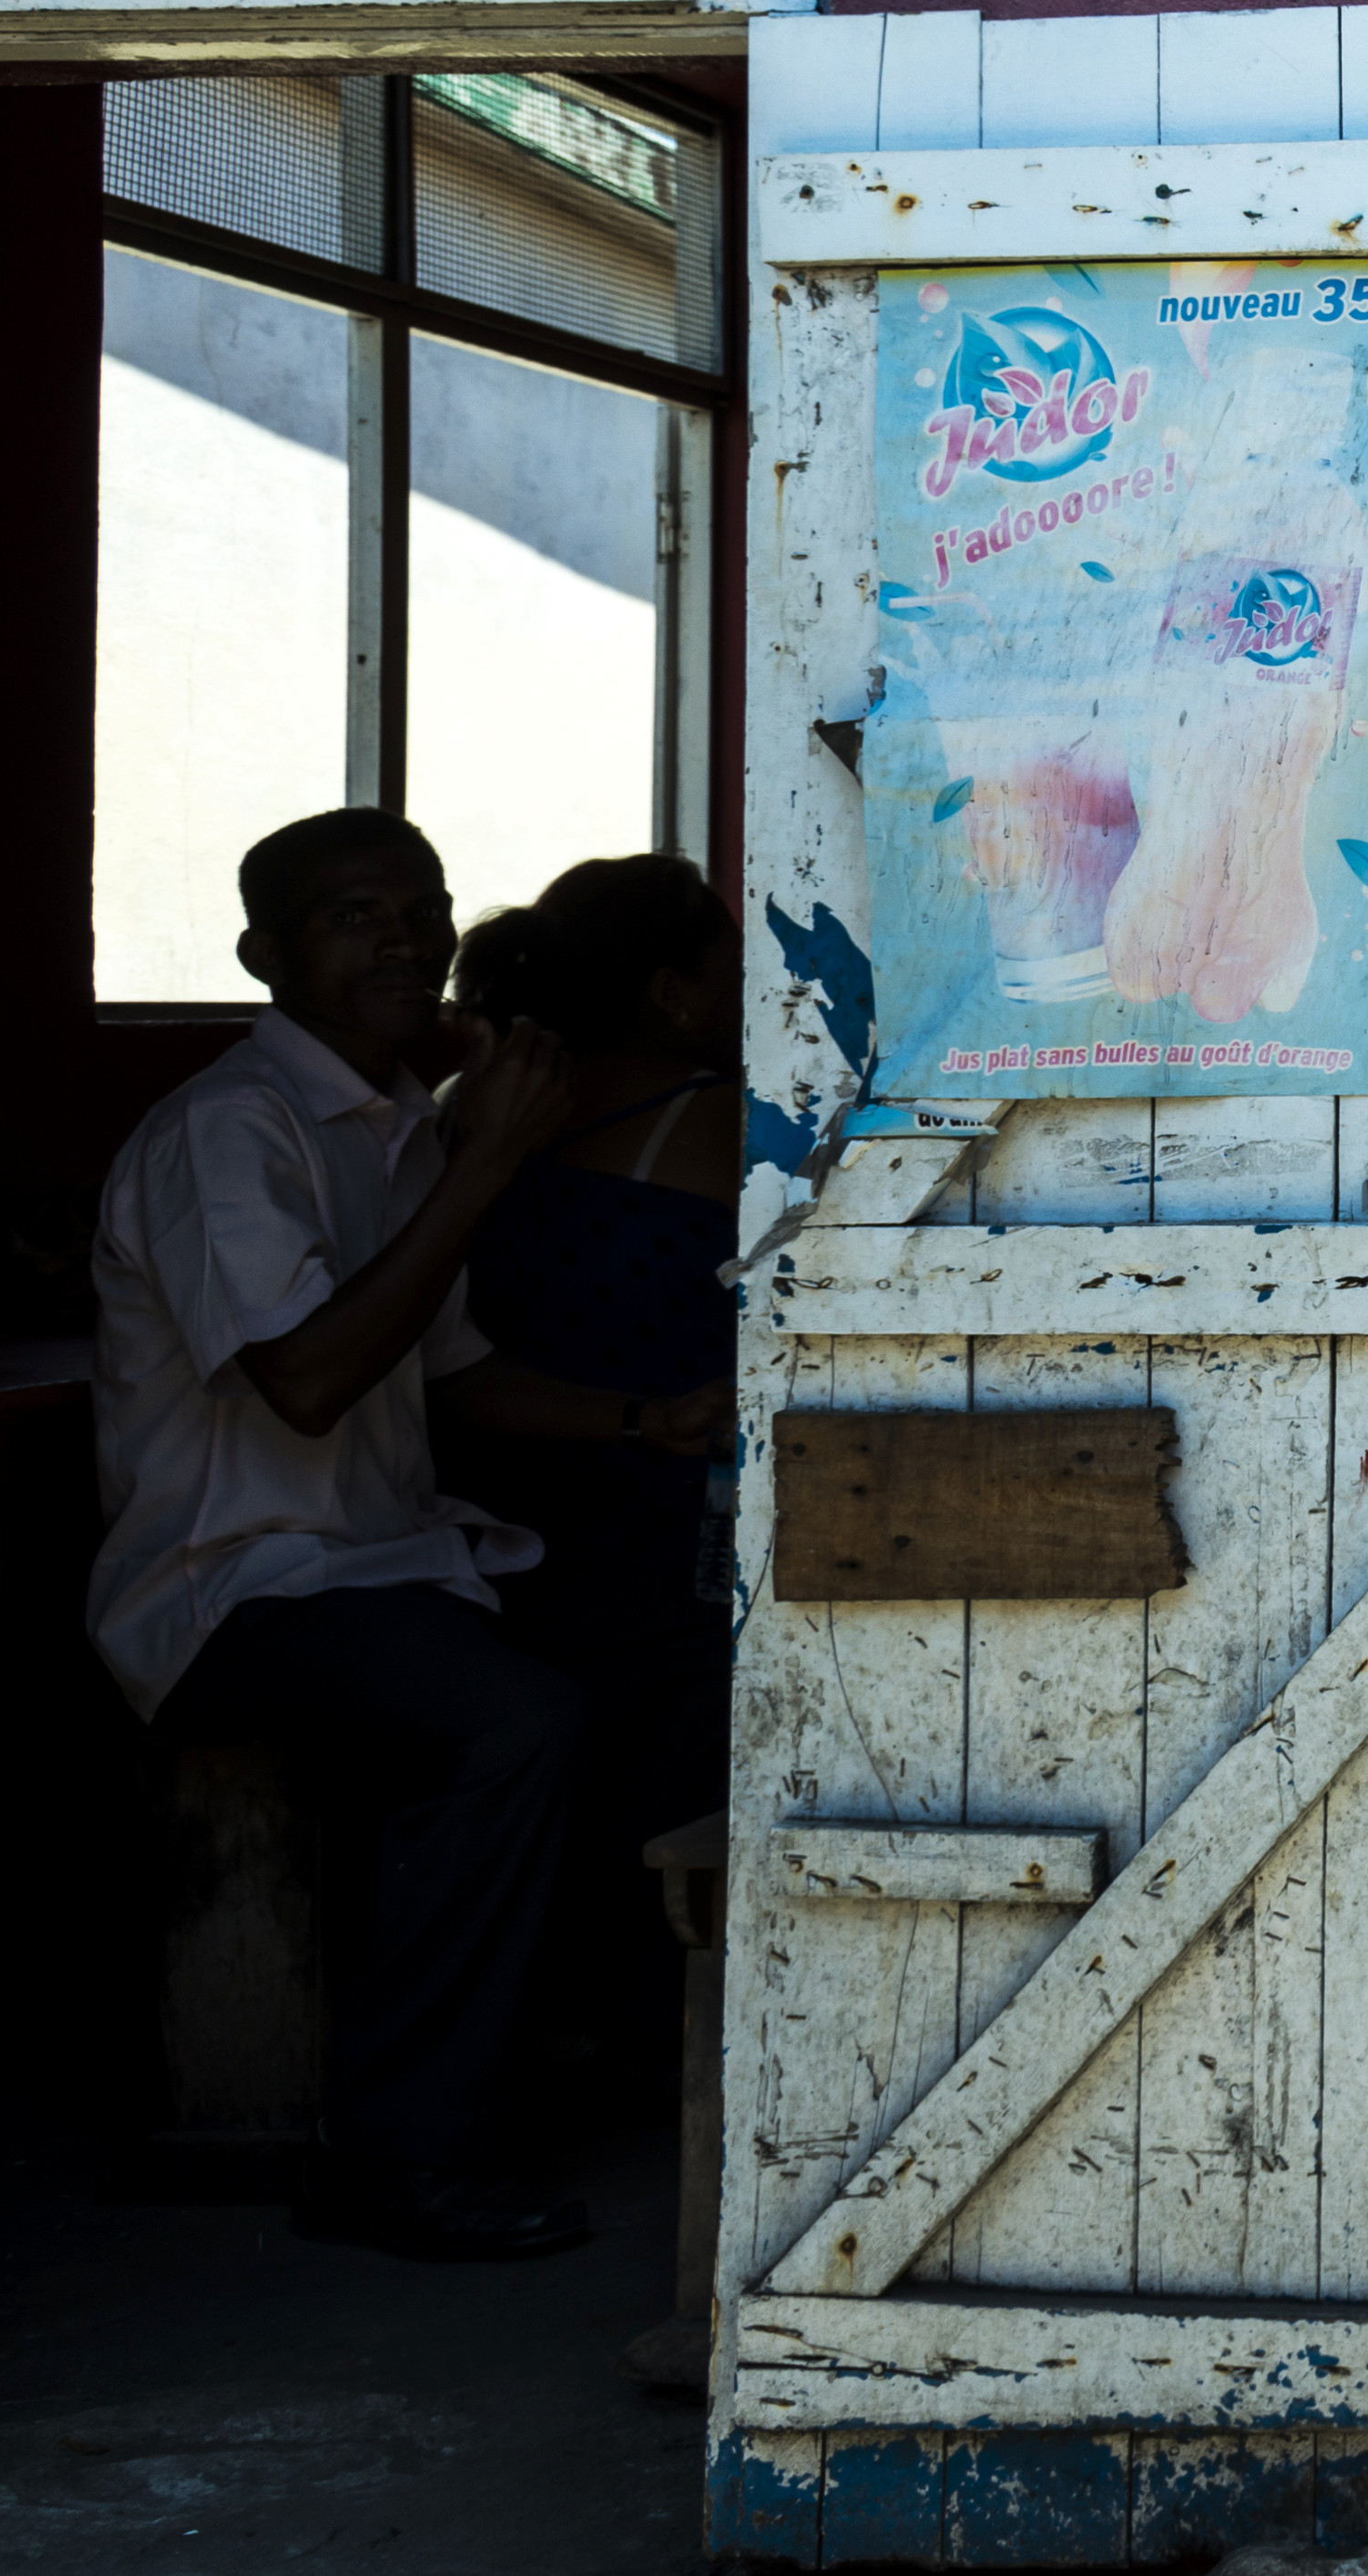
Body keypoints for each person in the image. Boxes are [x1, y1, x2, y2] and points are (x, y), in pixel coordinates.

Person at [81, 809, 697, 2260]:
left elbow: (458, 1372)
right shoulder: (230, 1135)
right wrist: (483, 1168)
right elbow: (303, 1381)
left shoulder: (404, 1127)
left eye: (419, 909)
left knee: (666, 1644)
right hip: (235, 1591)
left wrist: (642, 1420)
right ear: (264, 957)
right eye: (354, 917)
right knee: (513, 1724)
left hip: (389, 1565)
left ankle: (569, 2038)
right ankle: (397, 2149)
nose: (403, 939)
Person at [443, 856, 744, 2013]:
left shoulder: (477, 1117)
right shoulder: (712, 1120)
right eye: (734, 970)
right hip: (654, 1520)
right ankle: (641, 2014)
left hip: (498, 1509)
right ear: (673, 994)